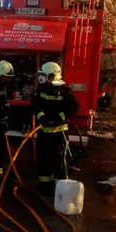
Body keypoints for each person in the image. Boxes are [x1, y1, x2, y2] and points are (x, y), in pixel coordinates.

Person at [31, 62, 79, 191]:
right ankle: (45, 185)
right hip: (43, 133)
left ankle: (60, 189)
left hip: (59, 134)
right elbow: (35, 105)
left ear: (52, 76)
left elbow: (73, 107)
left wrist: (60, 118)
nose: (41, 78)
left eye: (43, 75)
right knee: (43, 160)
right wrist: (42, 117)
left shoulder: (65, 91)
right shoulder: (41, 89)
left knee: (59, 161)